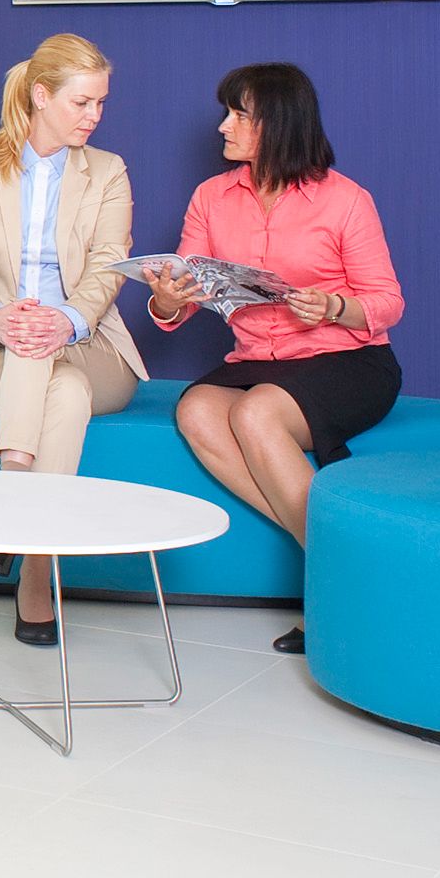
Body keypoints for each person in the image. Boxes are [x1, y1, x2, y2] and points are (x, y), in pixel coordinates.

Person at [141, 63, 403, 657]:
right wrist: (168, 300)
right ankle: (338, 559)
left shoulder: (346, 200)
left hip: (348, 359)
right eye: (226, 112)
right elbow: (185, 290)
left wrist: (334, 306)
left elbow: (387, 301)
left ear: (279, 123)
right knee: (197, 410)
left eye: (239, 115)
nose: (223, 125)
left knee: (256, 413)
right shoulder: (211, 197)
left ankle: (329, 594)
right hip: (258, 358)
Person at [0, 33, 146, 645]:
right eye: (82, 102)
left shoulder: (108, 171)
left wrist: (67, 318)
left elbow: (109, 264)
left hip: (91, 346)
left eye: (100, 103)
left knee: (46, 342)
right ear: (42, 96)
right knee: (51, 374)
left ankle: (4, 514)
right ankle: (36, 578)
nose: (94, 116)